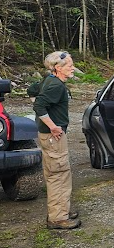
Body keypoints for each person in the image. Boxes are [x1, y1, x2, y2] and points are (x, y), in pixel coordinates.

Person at [34, 51, 79, 230]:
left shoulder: (49, 80)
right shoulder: (56, 85)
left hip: (51, 136)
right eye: (69, 65)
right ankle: (58, 218)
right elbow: (38, 105)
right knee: (58, 175)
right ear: (58, 68)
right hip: (54, 137)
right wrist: (52, 126)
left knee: (58, 173)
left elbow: (32, 91)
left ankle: (61, 210)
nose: (73, 68)